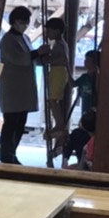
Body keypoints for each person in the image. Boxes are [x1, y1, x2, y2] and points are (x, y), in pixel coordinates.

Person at [0, 6, 39, 165]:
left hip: (24, 86)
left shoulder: (25, 38)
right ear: (14, 21)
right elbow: (19, 58)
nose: (25, 24)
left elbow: (30, 58)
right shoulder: (7, 40)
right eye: (23, 21)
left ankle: (12, 153)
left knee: (20, 124)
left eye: (27, 21)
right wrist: (37, 53)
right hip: (12, 86)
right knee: (11, 123)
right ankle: (6, 155)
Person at [41, 15, 70, 160]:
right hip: (56, 71)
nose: (47, 33)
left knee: (52, 99)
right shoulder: (58, 44)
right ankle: (59, 126)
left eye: (49, 31)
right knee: (52, 100)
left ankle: (59, 125)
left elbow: (63, 59)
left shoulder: (60, 44)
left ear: (57, 31)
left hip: (58, 72)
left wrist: (48, 59)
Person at [71, 48, 100, 121]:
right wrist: (67, 69)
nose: (85, 62)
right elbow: (72, 84)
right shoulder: (84, 77)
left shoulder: (98, 77)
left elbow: (98, 90)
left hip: (94, 108)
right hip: (85, 107)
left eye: (87, 60)